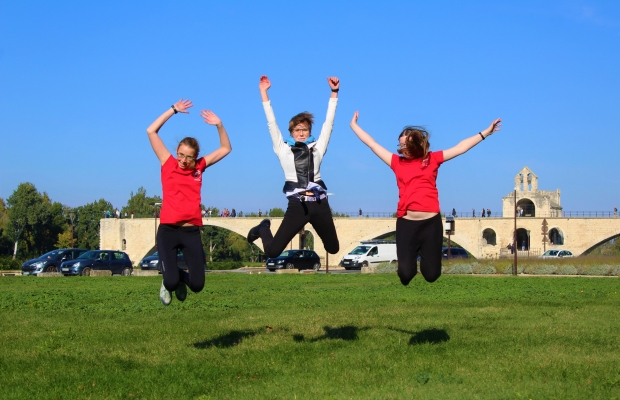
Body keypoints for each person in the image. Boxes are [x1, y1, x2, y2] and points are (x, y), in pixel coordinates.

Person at [350, 111, 501, 285]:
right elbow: (372, 144)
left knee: (432, 275)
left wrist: (486, 133)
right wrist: (354, 125)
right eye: (400, 145)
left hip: (431, 224)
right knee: (405, 275)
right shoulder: (397, 162)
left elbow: (461, 147)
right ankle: (409, 264)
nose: (402, 149)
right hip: (407, 224)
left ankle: (426, 262)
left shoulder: (432, 159)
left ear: (416, 143)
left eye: (405, 145)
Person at [147, 98, 232, 306]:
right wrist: (173, 110)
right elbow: (151, 131)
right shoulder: (167, 163)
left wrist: (219, 125)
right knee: (170, 280)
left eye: (189, 157)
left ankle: (179, 281)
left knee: (197, 284)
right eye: (181, 155)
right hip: (168, 231)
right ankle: (170, 281)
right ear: (176, 151)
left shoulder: (199, 168)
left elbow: (225, 148)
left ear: (196, 158)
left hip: (191, 231)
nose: (184, 161)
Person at [247, 75, 340, 260]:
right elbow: (271, 123)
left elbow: (328, 124)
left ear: (309, 132)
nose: (301, 133)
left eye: (304, 129)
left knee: (333, 248)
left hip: (319, 204)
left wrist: (334, 93)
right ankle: (263, 228)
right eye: (297, 130)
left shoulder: (318, 147)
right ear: (291, 132)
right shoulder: (283, 149)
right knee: (273, 252)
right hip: (298, 205)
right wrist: (263, 93)